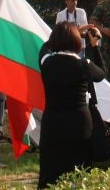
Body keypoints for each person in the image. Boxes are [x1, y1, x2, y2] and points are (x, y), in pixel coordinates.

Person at [37, 22, 105, 189]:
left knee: (50, 168)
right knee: (79, 169)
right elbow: (101, 73)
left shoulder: (47, 62)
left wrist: (64, 34)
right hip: (79, 122)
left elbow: (44, 48)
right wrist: (94, 45)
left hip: (52, 121)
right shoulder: (84, 64)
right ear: (76, 41)